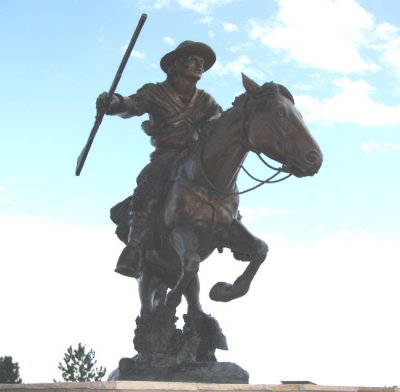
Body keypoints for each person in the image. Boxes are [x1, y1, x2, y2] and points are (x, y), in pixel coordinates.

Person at [97, 40, 222, 278]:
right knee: (149, 182)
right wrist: (113, 103)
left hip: (195, 158)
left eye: (202, 63)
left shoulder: (206, 101)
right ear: (176, 64)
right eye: (193, 60)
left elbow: (219, 124)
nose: (199, 65)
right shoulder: (155, 92)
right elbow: (131, 105)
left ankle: (228, 227)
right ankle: (134, 248)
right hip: (166, 157)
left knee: (222, 185)